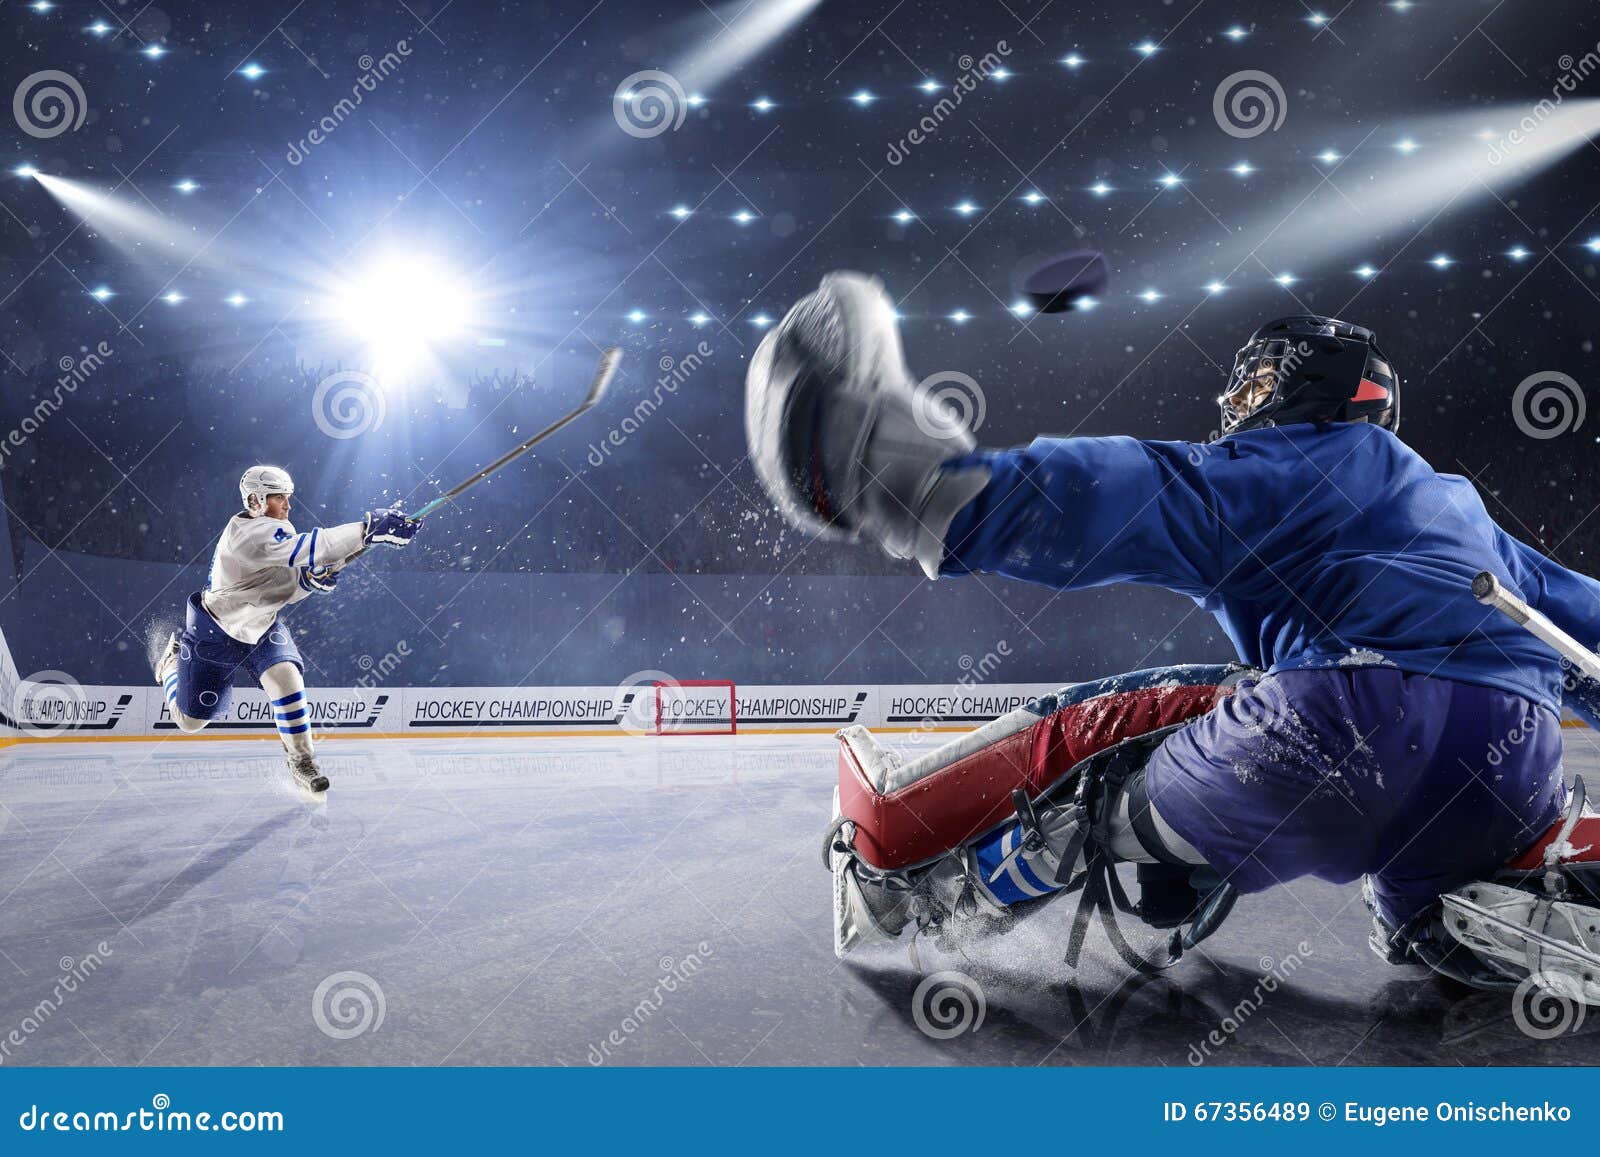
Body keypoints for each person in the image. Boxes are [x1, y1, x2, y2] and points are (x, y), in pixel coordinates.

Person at [746, 271, 1600, 1001]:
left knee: (1147, 721)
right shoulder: (1466, 512)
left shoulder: (1303, 461)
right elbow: (1586, 628)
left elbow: (1139, 493)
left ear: (1320, 391)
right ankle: (1493, 905)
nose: (1239, 405)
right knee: (1412, 910)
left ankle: (908, 867)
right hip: (1511, 760)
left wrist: (931, 490)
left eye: (1258, 385)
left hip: (1341, 727)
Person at [152, 465, 419, 792]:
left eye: (287, 497)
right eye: (279, 498)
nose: (288, 505)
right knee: (191, 721)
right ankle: (170, 665)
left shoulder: (277, 531)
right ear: (255, 500)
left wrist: (308, 581)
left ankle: (302, 762)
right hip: (216, 632)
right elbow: (314, 547)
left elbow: (282, 588)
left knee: (288, 682)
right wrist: (366, 529)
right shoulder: (249, 534)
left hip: (261, 627)